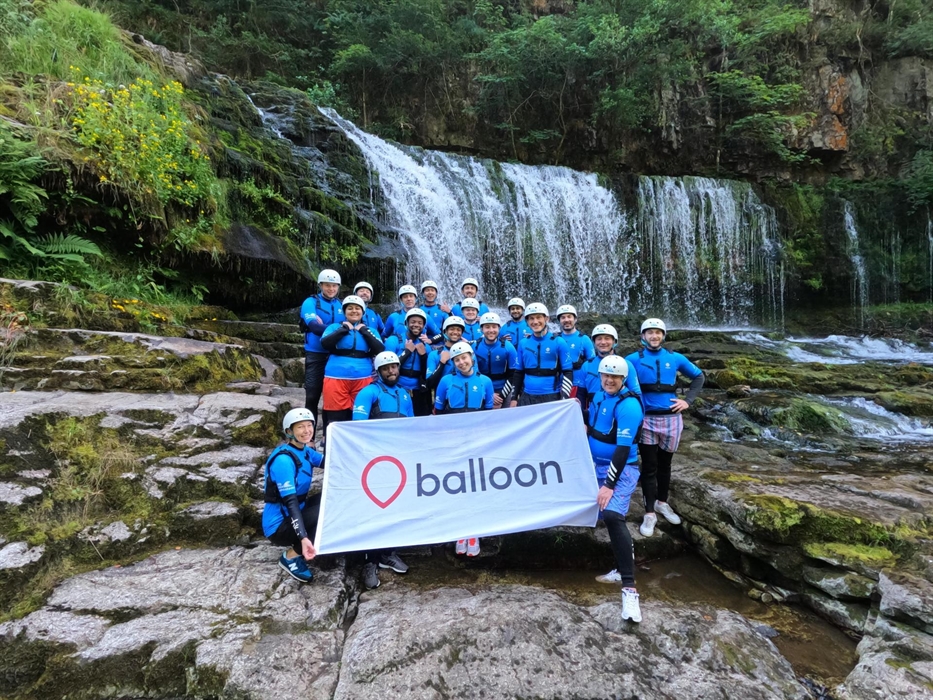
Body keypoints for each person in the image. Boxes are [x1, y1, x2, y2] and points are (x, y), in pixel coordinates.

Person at [625, 318, 705, 537]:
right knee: (650, 466)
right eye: (649, 333)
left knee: (665, 464)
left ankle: (662, 502)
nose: (654, 336)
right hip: (647, 419)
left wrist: (688, 401)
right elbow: (617, 380)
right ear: (643, 337)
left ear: (663, 336)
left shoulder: (675, 358)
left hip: (672, 419)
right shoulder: (632, 360)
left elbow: (698, 376)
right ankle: (649, 513)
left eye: (658, 333)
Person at [588, 356, 645, 623]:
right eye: (605, 376)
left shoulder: (629, 405)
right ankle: (626, 553)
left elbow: (622, 450)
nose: (609, 381)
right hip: (593, 466)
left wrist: (609, 485)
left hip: (621, 469)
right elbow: (592, 431)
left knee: (612, 515)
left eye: (615, 377)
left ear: (623, 379)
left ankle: (629, 589)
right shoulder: (599, 397)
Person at [352, 350, 414, 588]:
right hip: (375, 461)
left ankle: (388, 553)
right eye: (387, 368)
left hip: (398, 459)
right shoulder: (369, 392)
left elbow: (411, 426)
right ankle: (370, 561)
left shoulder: (404, 394)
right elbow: (357, 429)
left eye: (394, 367)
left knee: (395, 508)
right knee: (373, 510)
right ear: (378, 372)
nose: (392, 371)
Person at [433, 341, 494, 556]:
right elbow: (438, 412)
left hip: (476, 438)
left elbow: (488, 413)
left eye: (464, 357)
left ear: (472, 357)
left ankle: (474, 532)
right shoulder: (446, 381)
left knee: (475, 484)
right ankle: (459, 529)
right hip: (453, 437)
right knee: (456, 482)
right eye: (457, 359)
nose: (461, 362)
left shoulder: (485, 381)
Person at [262, 408, 322, 584]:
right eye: (300, 427)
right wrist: (304, 538)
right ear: (289, 432)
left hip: (296, 512)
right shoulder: (284, 460)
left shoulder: (305, 450)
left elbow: (330, 462)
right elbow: (291, 503)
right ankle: (290, 556)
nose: (306, 431)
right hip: (278, 526)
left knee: (333, 500)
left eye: (309, 426)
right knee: (326, 513)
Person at [319, 295, 385, 430]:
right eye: (350, 308)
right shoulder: (334, 327)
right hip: (336, 377)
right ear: (344, 312)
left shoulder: (370, 330)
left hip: (363, 377)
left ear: (363, 312)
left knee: (360, 415)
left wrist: (364, 331)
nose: (354, 311)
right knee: (335, 416)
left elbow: (379, 349)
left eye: (357, 308)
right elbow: (325, 344)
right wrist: (344, 329)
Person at [299, 269, 344, 425]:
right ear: (321, 285)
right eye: (327, 285)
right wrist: (338, 328)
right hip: (315, 354)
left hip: (335, 356)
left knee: (330, 397)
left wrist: (325, 326)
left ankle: (326, 435)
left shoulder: (342, 305)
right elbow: (313, 327)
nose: (331, 289)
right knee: (312, 396)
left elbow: (351, 327)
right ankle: (309, 437)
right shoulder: (310, 302)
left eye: (334, 286)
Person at [509, 303, 573, 406]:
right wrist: (514, 398)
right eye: (531, 318)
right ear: (527, 321)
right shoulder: (523, 343)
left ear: (546, 319)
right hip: (527, 396)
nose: (535, 322)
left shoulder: (559, 342)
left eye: (539, 317)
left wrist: (564, 397)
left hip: (552, 396)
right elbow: (518, 372)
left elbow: (567, 372)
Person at [385, 308, 440, 416]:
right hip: (399, 387)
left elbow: (427, 373)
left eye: (420, 323)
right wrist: (407, 352)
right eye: (413, 322)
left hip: (419, 389)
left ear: (424, 326)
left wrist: (423, 355)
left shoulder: (426, 346)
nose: (416, 325)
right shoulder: (394, 340)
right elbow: (387, 368)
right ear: (406, 323)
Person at [577, 324, 641, 412]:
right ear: (594, 342)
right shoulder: (586, 366)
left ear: (614, 342)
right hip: (593, 414)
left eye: (607, 338)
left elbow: (636, 393)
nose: (603, 342)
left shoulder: (626, 364)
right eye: (599, 339)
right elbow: (581, 396)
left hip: (618, 413)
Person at [473, 312, 519, 408]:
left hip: (504, 388)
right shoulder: (474, 347)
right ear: (481, 329)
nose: (491, 330)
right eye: (487, 327)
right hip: (481, 388)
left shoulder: (508, 347)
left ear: (499, 328)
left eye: (494, 327)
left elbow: (513, 374)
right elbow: (473, 373)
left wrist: (501, 397)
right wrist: (489, 394)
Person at [555, 304, 596, 393]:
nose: (566, 320)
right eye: (563, 317)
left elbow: (592, 364)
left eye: (569, 317)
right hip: (559, 385)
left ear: (575, 319)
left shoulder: (584, 339)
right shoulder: (555, 339)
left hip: (578, 385)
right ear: (559, 320)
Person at [425, 316, 466, 391]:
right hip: (443, 397)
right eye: (452, 329)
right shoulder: (434, 354)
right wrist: (442, 362)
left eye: (458, 330)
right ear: (445, 331)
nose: (455, 332)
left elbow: (475, 377)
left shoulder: (468, 353)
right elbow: (429, 383)